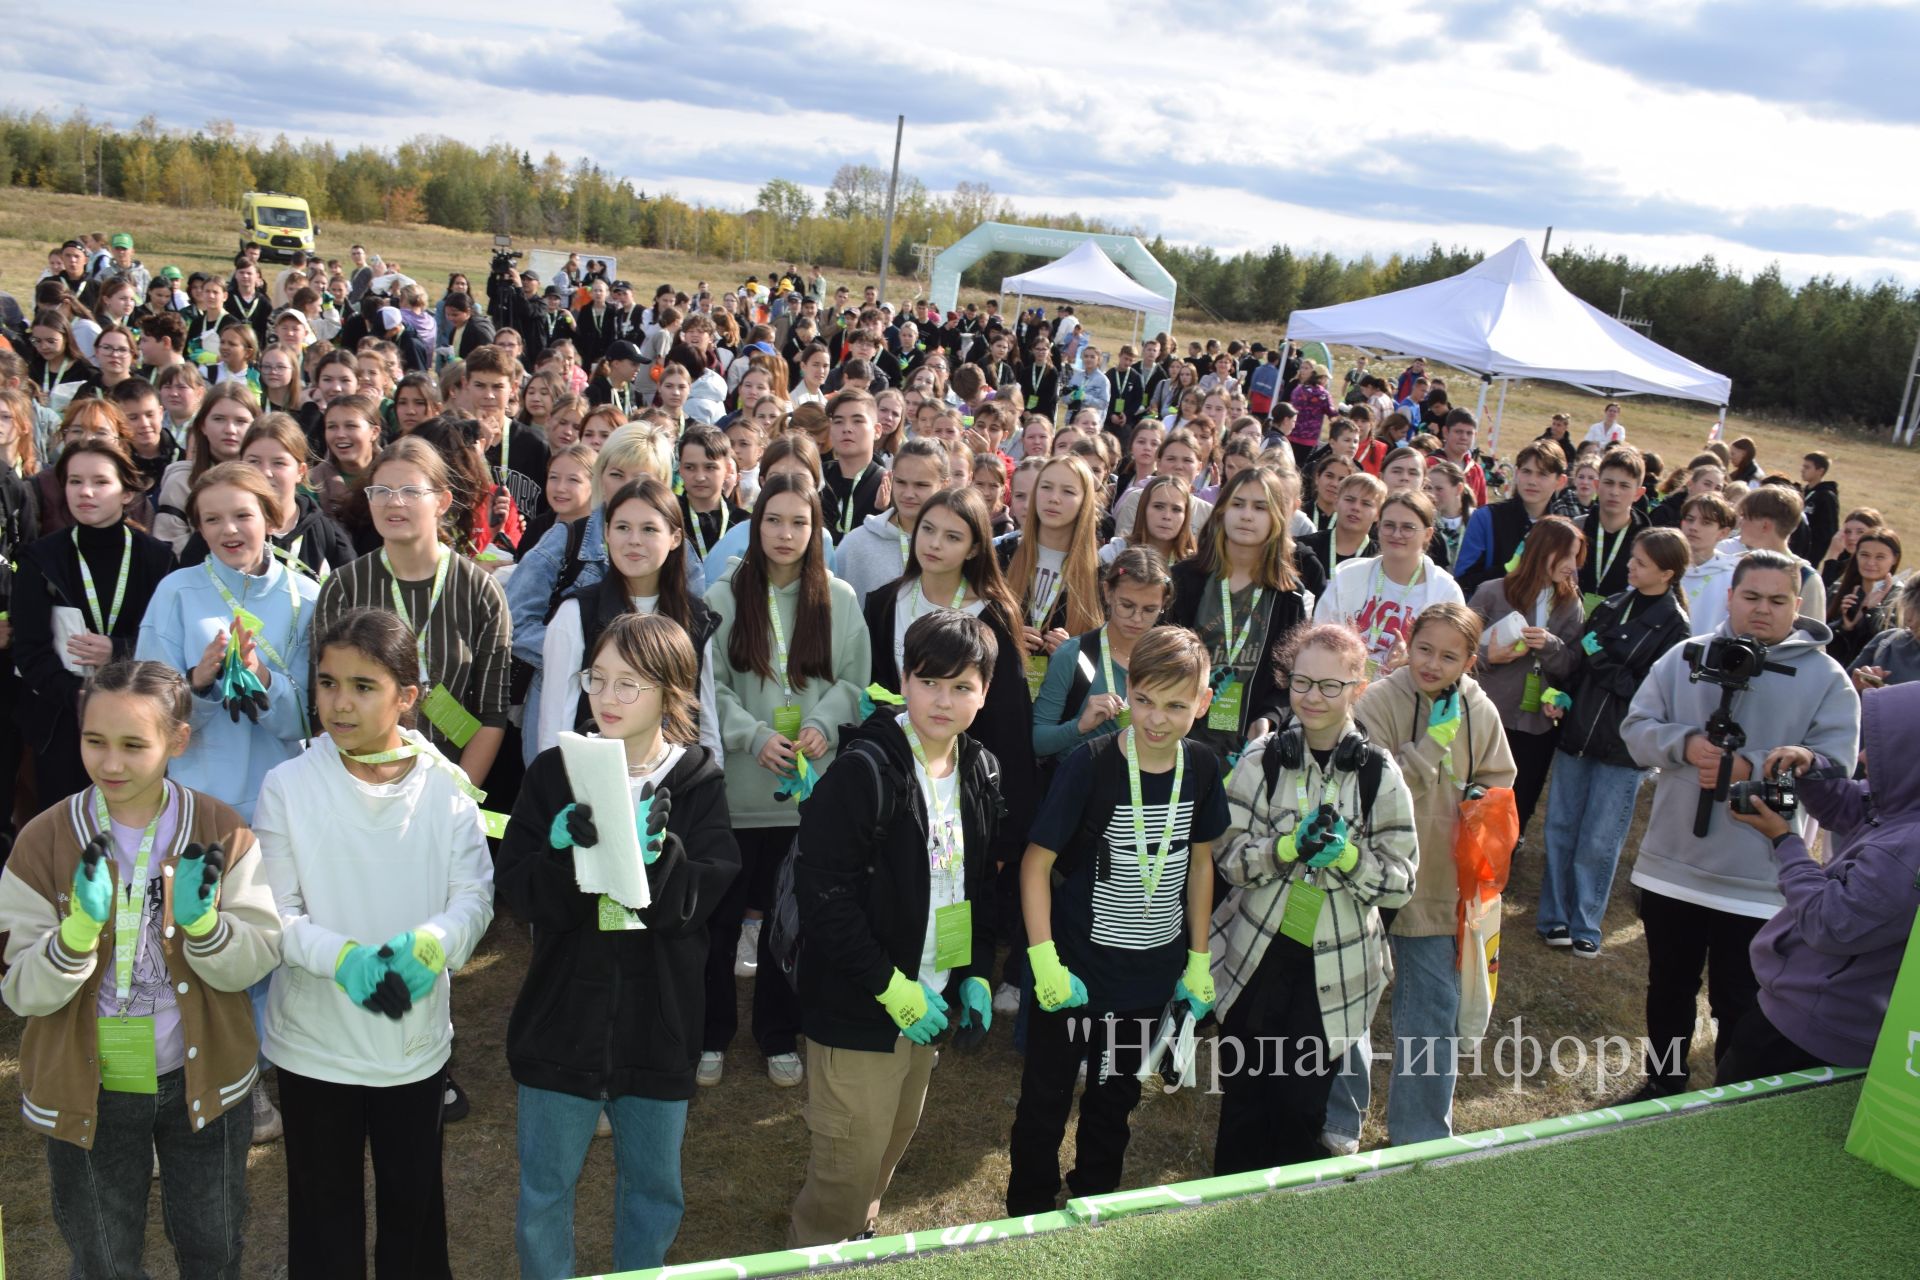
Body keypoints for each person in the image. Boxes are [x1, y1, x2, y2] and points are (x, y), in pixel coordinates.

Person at [0, 660, 281, 1280]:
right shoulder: (42, 842)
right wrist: (73, 937)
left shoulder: (221, 832)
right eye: (94, 742)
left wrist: (206, 928)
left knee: (213, 1247)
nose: (111, 764)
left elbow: (257, 957)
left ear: (177, 741)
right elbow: (20, 990)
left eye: (134, 745)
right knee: (103, 1255)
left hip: (201, 1080)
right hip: (89, 1088)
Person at [255, 608, 495, 1279]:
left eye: (363, 686)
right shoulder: (288, 785)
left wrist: (430, 947)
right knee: (322, 1216)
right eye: (328, 682)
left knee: (413, 1214)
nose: (339, 701)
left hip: (410, 1045)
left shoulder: (444, 787)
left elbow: (474, 895)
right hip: (314, 1042)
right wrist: (344, 961)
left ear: (406, 696)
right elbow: (277, 910)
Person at [500, 613, 740, 1276]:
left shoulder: (698, 783)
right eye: (596, 679)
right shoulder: (555, 774)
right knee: (545, 1192)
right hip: (560, 1026)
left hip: (657, 1030)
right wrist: (559, 854)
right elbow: (521, 893)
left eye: (628, 684)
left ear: (673, 692)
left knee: (655, 1191)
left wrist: (659, 857)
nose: (607, 697)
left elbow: (694, 907)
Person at [786, 611, 1004, 1245]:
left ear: (984, 694)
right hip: (860, 1003)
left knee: (889, 1141)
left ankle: (856, 1236)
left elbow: (979, 886)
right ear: (903, 682)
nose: (944, 700)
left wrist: (973, 971)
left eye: (963, 686)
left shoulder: (982, 769)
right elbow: (824, 896)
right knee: (845, 1165)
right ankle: (817, 1253)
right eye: (930, 681)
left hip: (931, 995)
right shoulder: (865, 770)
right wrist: (889, 987)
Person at [1621, 548, 1859, 1098]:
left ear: (1798, 605)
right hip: (1673, 863)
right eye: (1751, 597)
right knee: (1669, 986)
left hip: (1759, 876)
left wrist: (1760, 763)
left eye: (1778, 600)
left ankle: (1731, 1096)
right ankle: (1663, 1081)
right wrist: (1684, 745)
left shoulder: (1826, 678)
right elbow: (1636, 729)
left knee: (1740, 996)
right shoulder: (1686, 656)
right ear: (1729, 596)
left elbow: (1837, 767)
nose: (1762, 610)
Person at [1006, 626, 1228, 1213]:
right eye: (1146, 700)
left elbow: (1200, 864)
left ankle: (1093, 1200)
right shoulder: (1090, 764)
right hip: (1073, 972)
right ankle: (1027, 1210)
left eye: (1177, 705)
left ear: (1202, 703)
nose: (1156, 719)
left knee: (1114, 1100)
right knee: (1045, 1102)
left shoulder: (1203, 768)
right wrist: (1043, 959)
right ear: (1128, 688)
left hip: (1149, 979)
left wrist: (1198, 958)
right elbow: (1035, 866)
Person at [1209, 622, 1419, 1173]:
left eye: (1331, 686)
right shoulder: (1262, 761)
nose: (1313, 697)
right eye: (1303, 682)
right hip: (1258, 956)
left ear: (1358, 687)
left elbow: (1401, 881)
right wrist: (1282, 849)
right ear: (1287, 680)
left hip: (1336, 967)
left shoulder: (1380, 775)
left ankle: (1285, 1217)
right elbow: (1226, 858)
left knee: (1302, 1106)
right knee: (1245, 1100)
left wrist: (1350, 860)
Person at [704, 474, 869, 1087]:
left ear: (817, 530)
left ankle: (778, 1032)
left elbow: (855, 682)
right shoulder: (723, 597)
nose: (785, 534)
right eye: (774, 520)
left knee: (787, 923)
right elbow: (707, 687)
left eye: (799, 522)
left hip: (805, 795)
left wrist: (825, 722)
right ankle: (710, 1032)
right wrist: (751, 734)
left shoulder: (840, 599)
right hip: (737, 793)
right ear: (755, 524)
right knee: (719, 926)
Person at [1340, 603, 1515, 1146]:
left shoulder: (1479, 710)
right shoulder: (1376, 701)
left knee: (1432, 1012)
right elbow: (1369, 791)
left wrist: (1482, 795)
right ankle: (1336, 1123)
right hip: (1366, 879)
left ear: (1469, 661)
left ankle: (1419, 1133)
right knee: (1347, 1005)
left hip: (1439, 884)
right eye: (1424, 650)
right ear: (1406, 643)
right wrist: (1430, 749)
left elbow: (1499, 774)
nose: (1433, 664)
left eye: (1449, 656)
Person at [1718, 683, 1920, 1080]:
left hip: (1810, 1034)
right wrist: (1811, 766)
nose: (1862, 757)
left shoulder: (1908, 850)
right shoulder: (1906, 809)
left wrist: (1786, 842)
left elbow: (1830, 923)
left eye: (1880, 750)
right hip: (1819, 1016)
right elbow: (1853, 806)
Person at [310, 437, 513, 788]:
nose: (394, 502)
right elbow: (323, 698)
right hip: (358, 783)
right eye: (381, 491)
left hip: (449, 784)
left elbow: (492, 713)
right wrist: (363, 787)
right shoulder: (345, 586)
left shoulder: (480, 590)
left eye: (410, 490)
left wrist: (457, 792)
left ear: (442, 501)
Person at [1535, 528, 1693, 958]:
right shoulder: (1610, 607)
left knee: (1599, 840)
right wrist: (1562, 694)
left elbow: (1653, 692)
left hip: (1622, 750)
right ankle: (1553, 918)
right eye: (1632, 558)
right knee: (1561, 829)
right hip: (1577, 735)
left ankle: (1586, 922)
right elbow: (1577, 668)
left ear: (1667, 572)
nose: (1631, 566)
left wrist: (1603, 662)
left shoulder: (1676, 627)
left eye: (1641, 562)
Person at [136, 462, 320, 818]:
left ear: (270, 518)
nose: (229, 529)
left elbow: (310, 717)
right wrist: (197, 684)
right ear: (200, 529)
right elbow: (150, 714)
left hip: (283, 803)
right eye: (213, 519)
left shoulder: (306, 596)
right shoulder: (176, 592)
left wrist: (263, 680)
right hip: (196, 803)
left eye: (243, 515)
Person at [12, 436, 176, 810]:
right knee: (71, 838)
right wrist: (77, 695)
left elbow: (169, 641)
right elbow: (29, 650)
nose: (85, 492)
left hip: (140, 719)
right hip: (63, 725)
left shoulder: (158, 559)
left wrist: (118, 650)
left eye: (101, 482)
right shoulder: (41, 558)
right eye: (74, 481)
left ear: (125, 492)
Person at [536, 477, 723, 759]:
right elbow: (554, 724)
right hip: (595, 780)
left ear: (674, 538)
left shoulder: (696, 618)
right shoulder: (577, 612)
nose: (634, 540)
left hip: (672, 789)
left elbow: (705, 721)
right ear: (607, 533)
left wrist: (710, 784)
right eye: (623, 527)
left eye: (649, 529)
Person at [1168, 467, 1313, 765]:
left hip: (1248, 750)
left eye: (1260, 507)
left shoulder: (1289, 596)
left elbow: (1289, 678)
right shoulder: (1185, 579)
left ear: (1276, 518)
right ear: (1221, 511)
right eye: (1238, 504)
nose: (1247, 515)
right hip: (1179, 737)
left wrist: (1268, 718)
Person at [1466, 515, 1588, 841]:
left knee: (1519, 800)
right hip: (1489, 715)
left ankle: (1503, 862)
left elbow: (1570, 666)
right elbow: (1458, 650)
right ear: (1542, 551)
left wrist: (1550, 645)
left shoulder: (1571, 605)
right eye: (1565, 555)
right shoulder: (1492, 592)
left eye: (1576, 557)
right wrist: (1491, 654)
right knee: (1475, 794)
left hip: (1536, 724)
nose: (1571, 565)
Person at [1032, 548, 1173, 765]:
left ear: (1163, 604)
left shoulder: (1167, 661)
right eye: (1127, 605)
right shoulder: (1073, 653)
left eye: (1149, 610)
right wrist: (1080, 726)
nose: (1136, 618)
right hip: (1080, 790)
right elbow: (1037, 741)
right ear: (1108, 592)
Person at [1315, 489, 1464, 678]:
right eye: (1389, 525)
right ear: (1378, 528)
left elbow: (1450, 662)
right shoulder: (1348, 576)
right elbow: (1318, 638)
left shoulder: (1446, 593)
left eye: (1408, 528)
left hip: (1403, 696)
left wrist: (1411, 661)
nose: (1396, 534)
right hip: (1340, 688)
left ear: (1427, 534)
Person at [1001, 455, 1106, 702]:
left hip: (1059, 715)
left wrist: (1073, 654)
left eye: (1068, 491)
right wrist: (1004, 637)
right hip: (1001, 703)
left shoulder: (1100, 577)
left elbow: (1101, 676)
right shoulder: (1001, 556)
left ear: (1084, 502)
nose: (1054, 498)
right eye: (1046, 487)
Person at [838, 438, 948, 605]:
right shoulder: (857, 544)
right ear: (890, 478)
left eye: (921, 485)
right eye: (901, 482)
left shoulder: (957, 544)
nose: (908, 494)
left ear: (944, 486)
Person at [153, 381, 259, 552]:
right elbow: (170, 552)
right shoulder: (180, 482)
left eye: (241, 421)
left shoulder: (267, 479)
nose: (230, 429)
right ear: (202, 425)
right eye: (219, 419)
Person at [1452, 444, 1569, 595]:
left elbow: (1568, 588)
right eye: (1527, 471)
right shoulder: (1485, 517)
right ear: (1517, 473)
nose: (1532, 481)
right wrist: (1507, 570)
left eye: (1542, 474)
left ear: (1560, 481)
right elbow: (1463, 583)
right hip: (1489, 615)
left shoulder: (1564, 531)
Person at [1575, 446, 1648, 612]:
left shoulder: (1648, 543)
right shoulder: (1575, 529)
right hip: (1571, 625)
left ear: (1638, 493)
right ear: (1597, 485)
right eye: (1608, 483)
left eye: (1624, 486)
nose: (1614, 492)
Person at [819, 387, 890, 545]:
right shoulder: (815, 479)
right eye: (838, 421)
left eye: (857, 421)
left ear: (877, 431)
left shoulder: (891, 485)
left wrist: (884, 512)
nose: (846, 429)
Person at [1826, 529, 1900, 668]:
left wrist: (1871, 612)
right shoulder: (1838, 591)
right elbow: (1821, 638)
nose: (1870, 563)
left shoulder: (1900, 600)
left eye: (1880, 557)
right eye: (1865, 555)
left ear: (1894, 559)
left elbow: (1889, 648)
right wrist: (1845, 626)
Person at [1297, 470, 1382, 584]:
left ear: (1378, 514)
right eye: (1349, 500)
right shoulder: (1303, 549)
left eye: (1366, 503)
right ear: (1336, 503)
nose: (1356, 507)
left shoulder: (1382, 560)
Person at [1678, 492, 1741, 637]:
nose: (1694, 527)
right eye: (1690, 519)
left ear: (1723, 533)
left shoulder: (1732, 577)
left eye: (1706, 523)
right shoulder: (1662, 563)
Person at [1849, 587, 1920, 691]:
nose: (1910, 625)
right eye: (1909, 622)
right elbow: (1840, 689)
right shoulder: (1888, 640)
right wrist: (1857, 686)